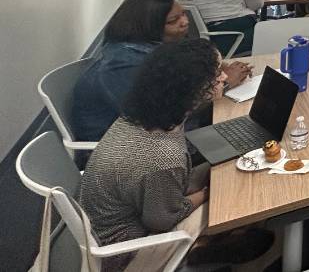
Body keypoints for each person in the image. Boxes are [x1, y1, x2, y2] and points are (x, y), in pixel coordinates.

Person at [79, 40, 270, 272]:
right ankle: (199, 248)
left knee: (223, 166)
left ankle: (209, 241)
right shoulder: (163, 156)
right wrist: (208, 194)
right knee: (229, 198)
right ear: (191, 88)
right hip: (126, 252)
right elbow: (161, 220)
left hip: (118, 214)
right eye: (216, 73)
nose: (223, 77)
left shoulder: (140, 117)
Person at [70, 0, 247, 142]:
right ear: (149, 27)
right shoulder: (124, 65)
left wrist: (211, 68)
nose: (185, 22)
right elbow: (164, 115)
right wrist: (225, 83)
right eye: (173, 20)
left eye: (184, 14)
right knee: (239, 138)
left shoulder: (152, 47)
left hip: (160, 137)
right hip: (131, 151)